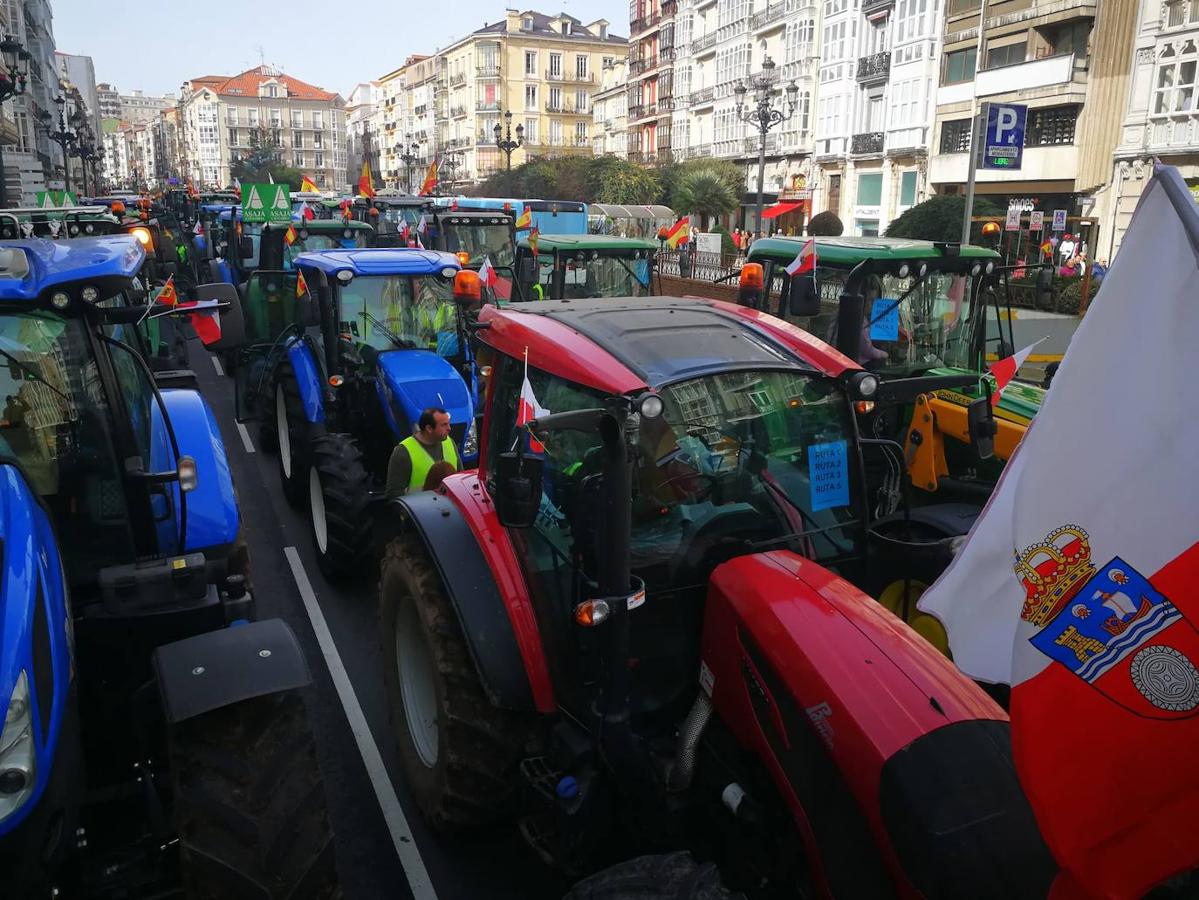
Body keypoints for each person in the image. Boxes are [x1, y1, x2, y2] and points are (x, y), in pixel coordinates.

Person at [385, 407, 461, 498]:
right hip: (422, 510)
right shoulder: (403, 452)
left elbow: (461, 477)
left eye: (448, 424)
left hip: (452, 507)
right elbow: (393, 494)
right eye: (444, 425)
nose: (449, 428)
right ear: (429, 428)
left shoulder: (450, 442)